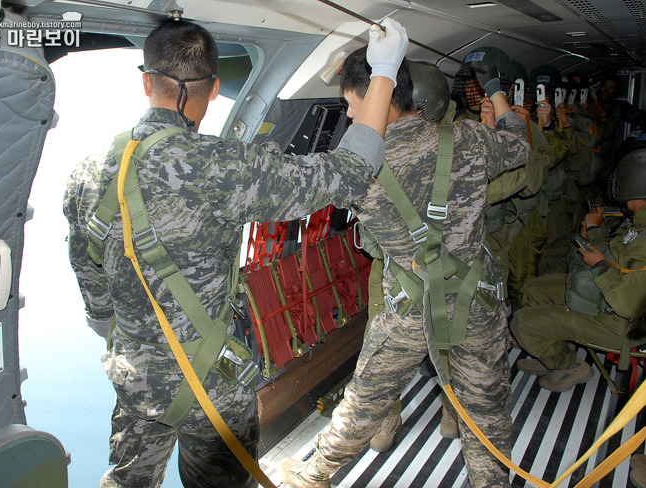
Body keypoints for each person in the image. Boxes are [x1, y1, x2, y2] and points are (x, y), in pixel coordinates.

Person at [63, 18, 409, 488]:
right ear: (214, 88)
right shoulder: (223, 165)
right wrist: (384, 71)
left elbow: (92, 285)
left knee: (126, 482)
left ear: (146, 81)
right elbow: (349, 172)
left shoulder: (86, 173)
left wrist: (118, 331)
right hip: (213, 381)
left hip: (136, 378)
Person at [282, 47, 531, 488]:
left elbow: (299, 192)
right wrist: (494, 90)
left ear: (376, 95)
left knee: (366, 401)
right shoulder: (468, 138)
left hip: (409, 310)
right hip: (476, 302)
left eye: (351, 103)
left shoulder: (356, 165)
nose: (351, 112)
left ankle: (314, 475)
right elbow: (518, 144)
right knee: (487, 410)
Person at [510, 146, 646, 392]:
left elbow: (629, 303)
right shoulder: (639, 223)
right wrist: (595, 234)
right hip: (608, 296)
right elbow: (621, 256)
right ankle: (554, 347)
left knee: (523, 322)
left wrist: (599, 264)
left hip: (625, 324)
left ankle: (569, 365)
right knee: (532, 290)